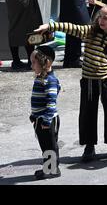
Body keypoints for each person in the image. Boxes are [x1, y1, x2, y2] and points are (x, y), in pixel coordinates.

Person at [34, 5, 107, 163]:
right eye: (100, 16)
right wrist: (49, 26)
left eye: (105, 17)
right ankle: (89, 146)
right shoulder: (90, 31)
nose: (101, 20)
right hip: (89, 80)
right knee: (87, 114)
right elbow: (70, 27)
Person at [29, 45, 61, 180]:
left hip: (47, 119)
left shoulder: (50, 80)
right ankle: (49, 167)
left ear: (46, 63)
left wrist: (47, 120)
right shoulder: (41, 77)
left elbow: (51, 103)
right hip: (40, 118)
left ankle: (52, 170)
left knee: (49, 146)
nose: (31, 66)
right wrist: (34, 115)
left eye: (34, 62)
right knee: (45, 145)